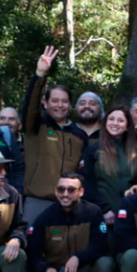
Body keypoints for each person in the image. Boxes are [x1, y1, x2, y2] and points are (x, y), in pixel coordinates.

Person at [23, 172, 114, 272]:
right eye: (61, 189)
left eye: (71, 190)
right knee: (19, 261)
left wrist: (79, 257)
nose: (65, 194)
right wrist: (45, 269)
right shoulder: (45, 217)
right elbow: (33, 252)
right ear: (56, 191)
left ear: (81, 192)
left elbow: (101, 247)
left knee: (106, 263)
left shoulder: (93, 212)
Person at [20, 46, 89, 224]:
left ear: (70, 105)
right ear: (45, 103)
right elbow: (30, 106)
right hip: (37, 201)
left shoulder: (79, 135)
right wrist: (39, 75)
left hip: (69, 203)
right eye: (55, 101)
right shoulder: (35, 126)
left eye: (65, 101)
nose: (60, 105)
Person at [80, 105, 137, 225]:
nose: (115, 123)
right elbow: (85, 182)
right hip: (100, 214)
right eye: (111, 119)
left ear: (127, 126)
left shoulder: (135, 152)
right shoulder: (93, 149)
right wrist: (104, 209)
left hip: (129, 213)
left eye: (121, 120)